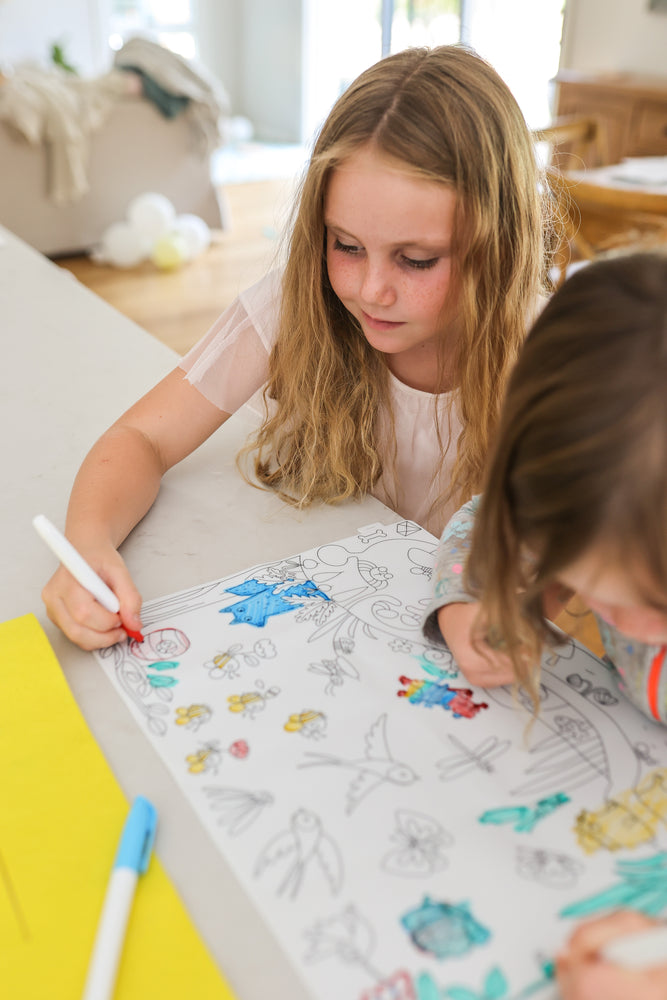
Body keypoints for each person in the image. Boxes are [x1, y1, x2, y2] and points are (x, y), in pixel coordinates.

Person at [42, 44, 550, 651]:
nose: (370, 291)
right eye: (346, 245)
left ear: (499, 244)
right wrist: (88, 545)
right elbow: (142, 437)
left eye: (416, 260)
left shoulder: (549, 354)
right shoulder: (295, 304)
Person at [423, 252, 667, 1000]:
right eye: (593, 588)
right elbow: (481, 527)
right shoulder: (607, 482)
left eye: (655, 603)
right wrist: (471, 606)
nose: (623, 622)